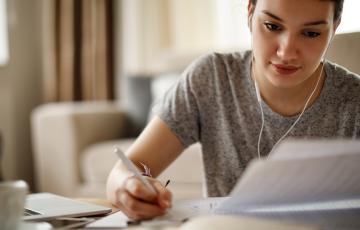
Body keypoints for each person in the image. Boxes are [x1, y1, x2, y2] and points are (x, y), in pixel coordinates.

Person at [106, 0, 359, 220]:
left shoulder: (354, 101)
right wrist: (128, 187)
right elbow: (128, 169)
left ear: (334, 28)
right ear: (250, 12)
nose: (286, 52)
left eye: (311, 33)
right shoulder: (211, 78)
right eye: (272, 26)